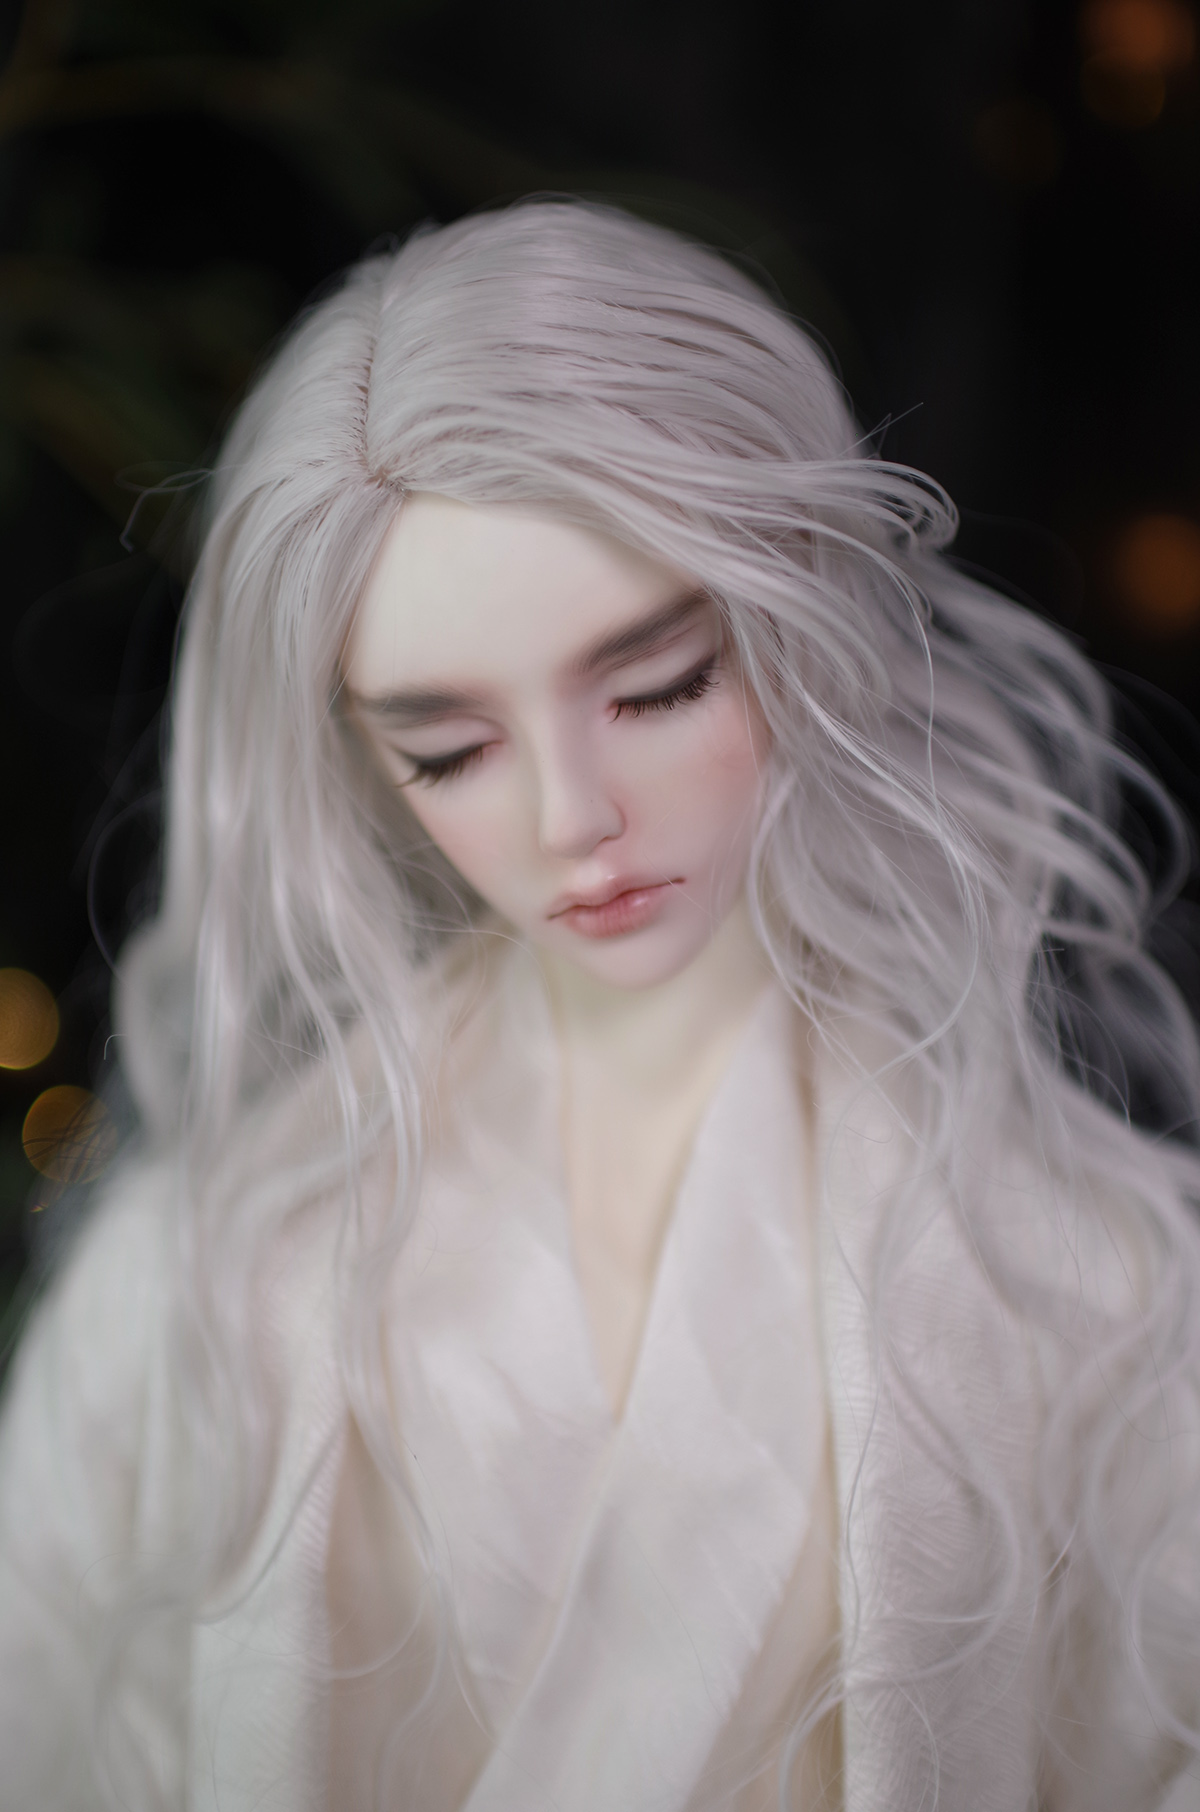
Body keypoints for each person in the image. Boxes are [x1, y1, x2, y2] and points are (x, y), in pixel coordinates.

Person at [1, 198, 1199, 1812]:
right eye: (448, 752)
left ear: (795, 613)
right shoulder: (205, 1278)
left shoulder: (1083, 1285)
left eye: (658, 687)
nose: (574, 818)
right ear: (361, 758)